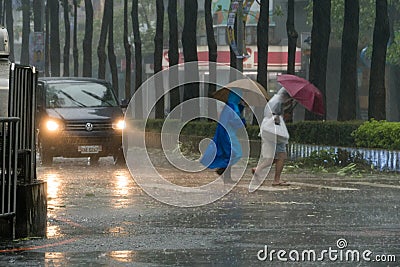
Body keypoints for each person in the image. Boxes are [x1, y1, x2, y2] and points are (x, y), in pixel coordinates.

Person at [200, 89, 246, 183]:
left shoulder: (229, 105)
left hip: (225, 133)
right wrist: (243, 122)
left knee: (229, 154)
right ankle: (222, 171)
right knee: (235, 153)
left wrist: (242, 107)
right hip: (228, 134)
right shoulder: (233, 106)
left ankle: (226, 176)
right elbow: (235, 121)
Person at [252, 87, 294, 186]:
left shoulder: (274, 100)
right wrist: (284, 116)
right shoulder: (278, 102)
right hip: (275, 132)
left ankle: (258, 169)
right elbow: (276, 117)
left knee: (274, 157)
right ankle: (276, 180)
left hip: (267, 129)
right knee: (281, 155)